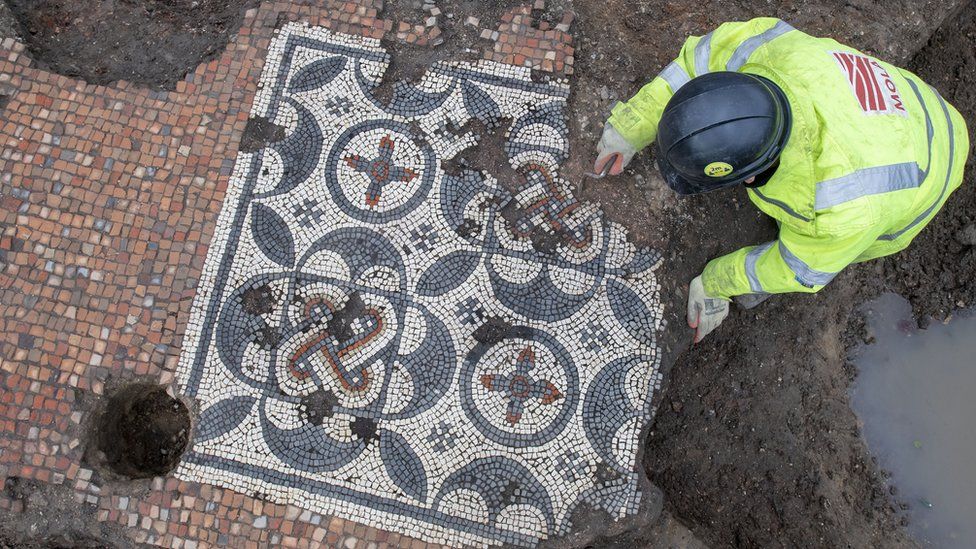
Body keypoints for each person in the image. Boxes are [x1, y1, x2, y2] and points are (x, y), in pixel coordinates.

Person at [592, 18, 970, 343]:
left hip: (932, 168)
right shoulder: (765, 47)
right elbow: (696, 63)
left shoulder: (840, 208)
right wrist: (632, 126)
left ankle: (759, 285)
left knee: (828, 253)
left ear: (750, 174)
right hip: (913, 104)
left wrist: (716, 283)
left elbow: (800, 270)